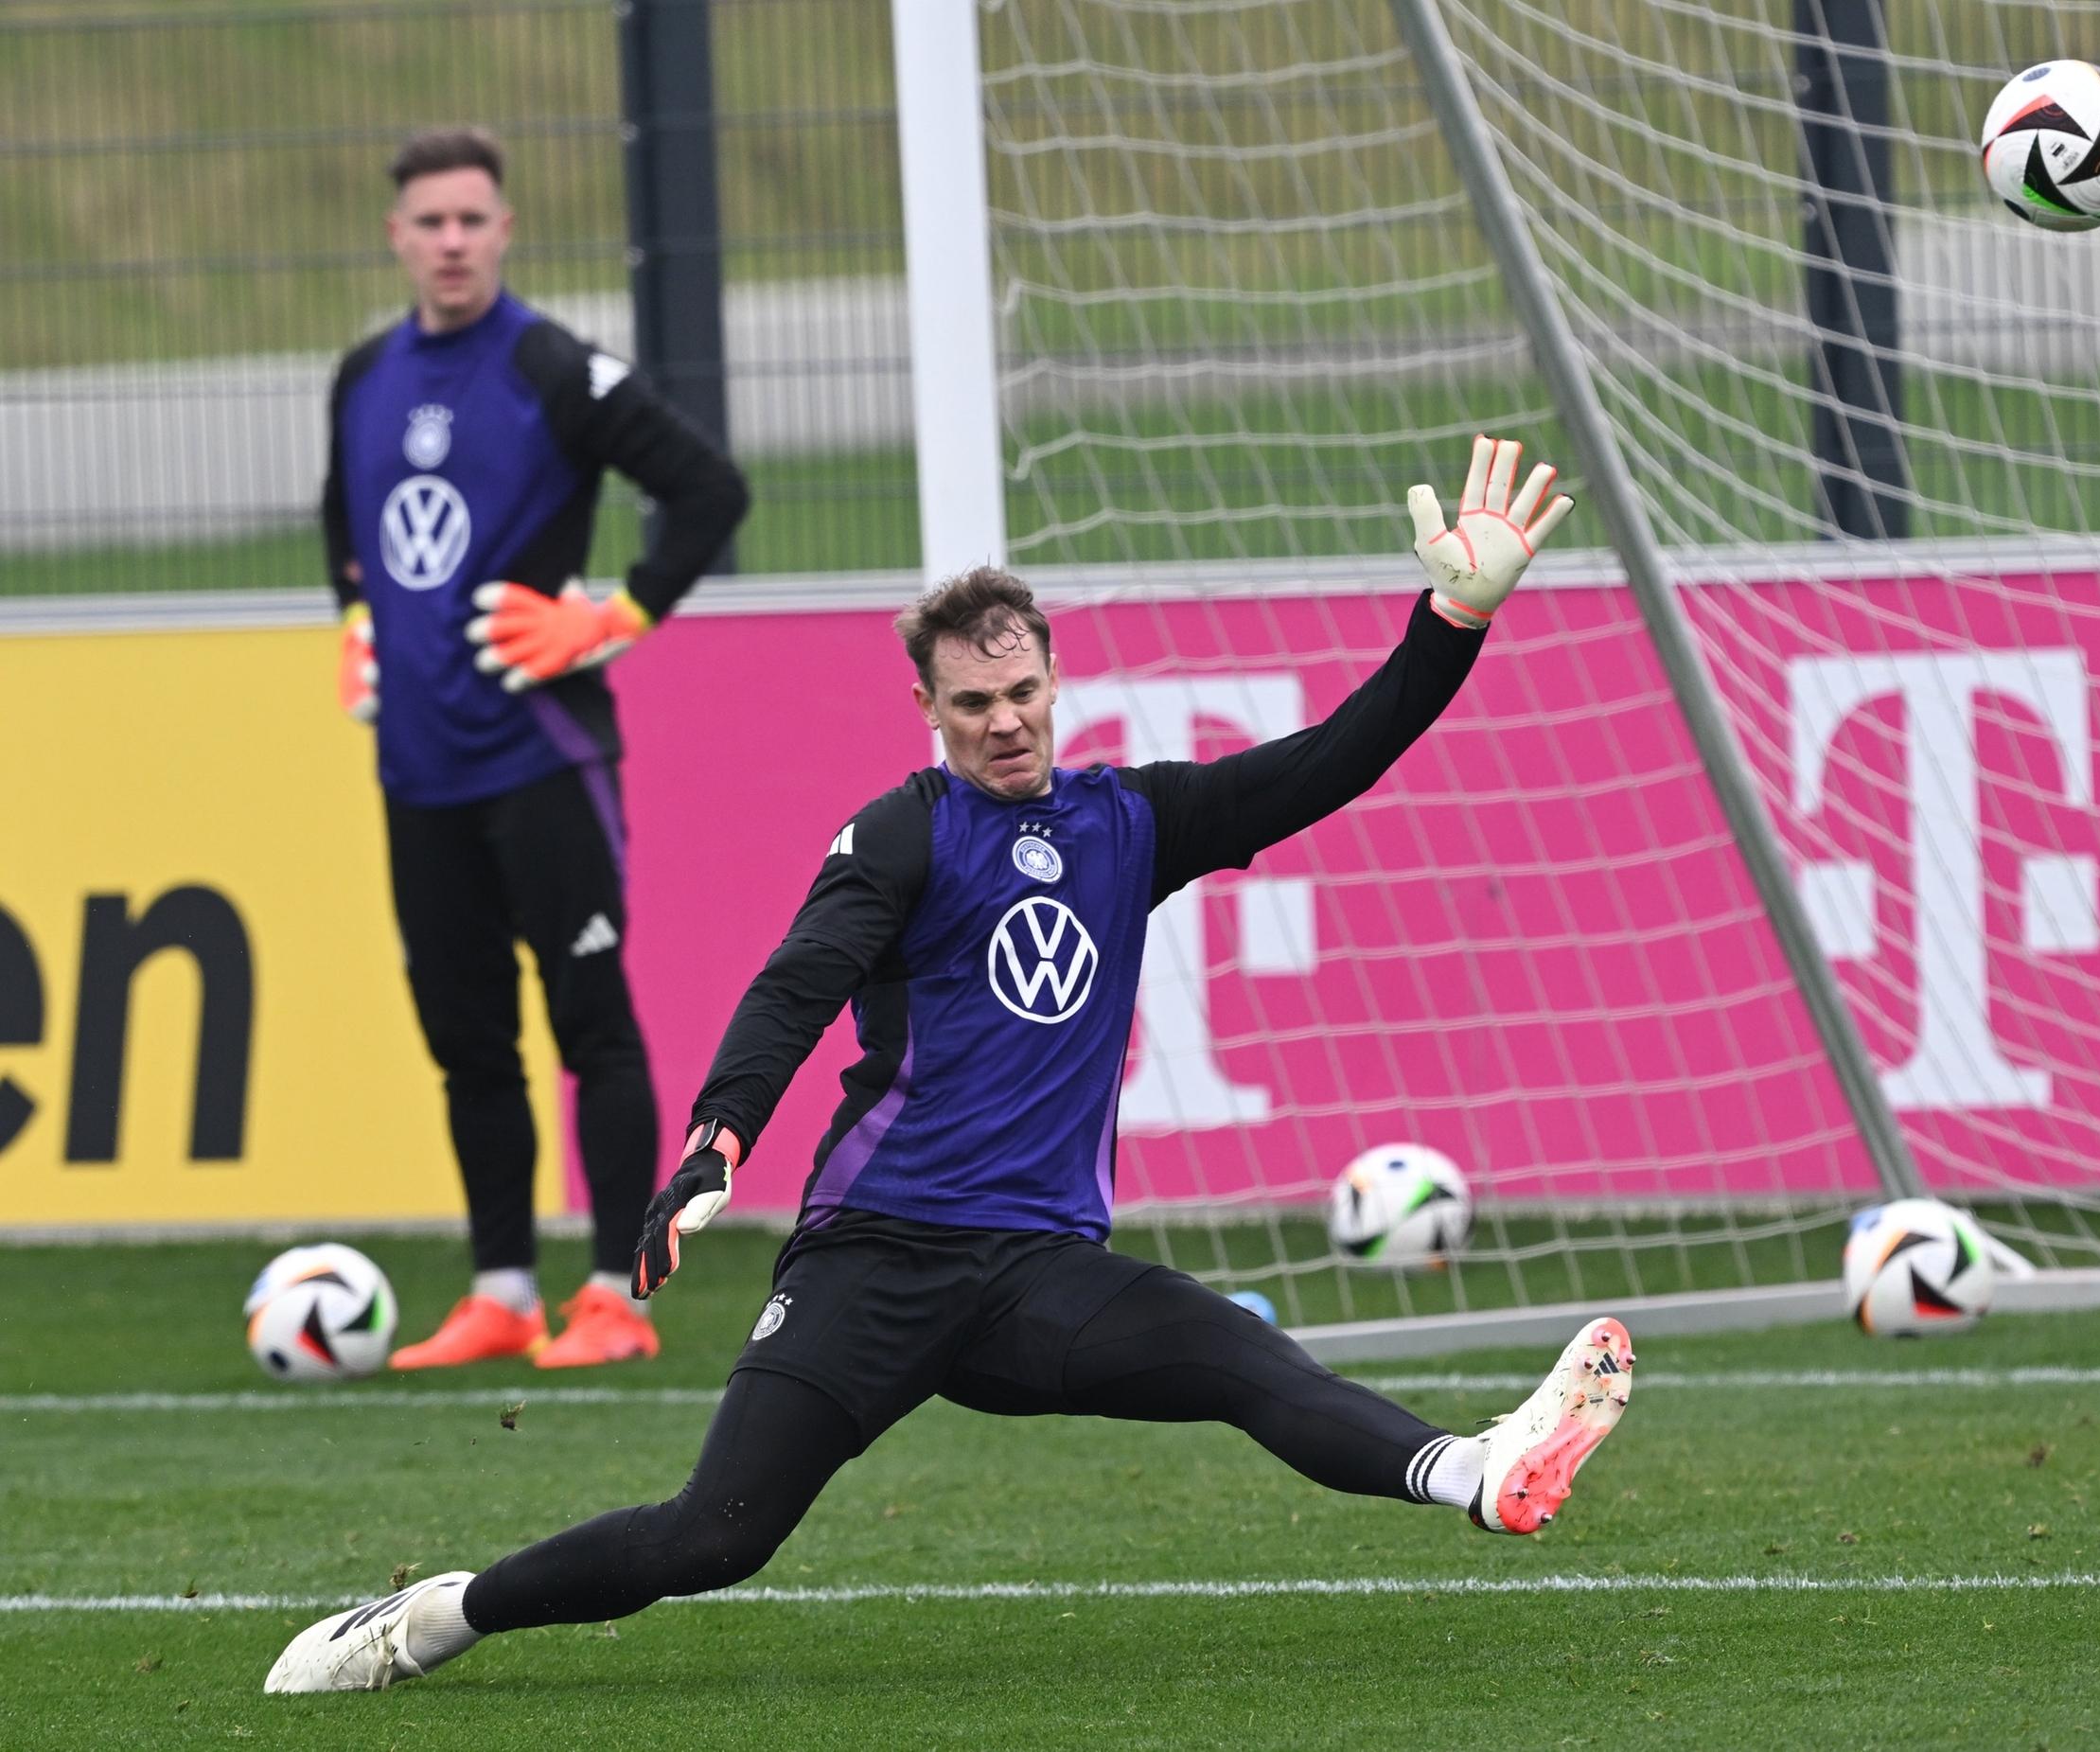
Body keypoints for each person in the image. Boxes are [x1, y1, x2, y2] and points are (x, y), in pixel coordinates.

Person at [266, 435, 1632, 1693]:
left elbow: (1339, 756)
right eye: (974, 701)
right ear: (927, 704)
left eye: (1024, 690)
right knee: (712, 1538)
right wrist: (717, 1140)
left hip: (1036, 1274)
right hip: (877, 1256)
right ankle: (434, 1619)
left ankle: (1476, 1468)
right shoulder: (903, 835)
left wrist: (1453, 621)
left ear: (1055, 681)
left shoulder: (1131, 821)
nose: (1006, 721)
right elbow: (796, 985)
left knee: (1235, 1356)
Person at [323, 126, 750, 1371]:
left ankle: (615, 1293)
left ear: (503, 231)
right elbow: (338, 524)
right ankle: (502, 1290)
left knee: (593, 1029)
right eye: (429, 222)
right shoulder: (362, 376)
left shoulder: (550, 364)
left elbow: (710, 487)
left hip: (544, 760)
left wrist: (611, 615)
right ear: (397, 236)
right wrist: (355, 622)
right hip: (418, 773)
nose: (451, 241)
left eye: (472, 220)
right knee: (467, 1042)